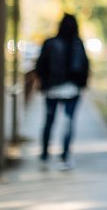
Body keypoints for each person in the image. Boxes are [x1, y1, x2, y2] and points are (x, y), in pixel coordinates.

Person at [35, 13, 89, 170]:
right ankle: (65, 156)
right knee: (68, 122)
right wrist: (82, 85)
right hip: (72, 89)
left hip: (51, 89)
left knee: (49, 121)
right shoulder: (78, 44)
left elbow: (40, 65)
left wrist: (44, 82)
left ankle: (45, 153)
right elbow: (84, 67)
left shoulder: (49, 43)